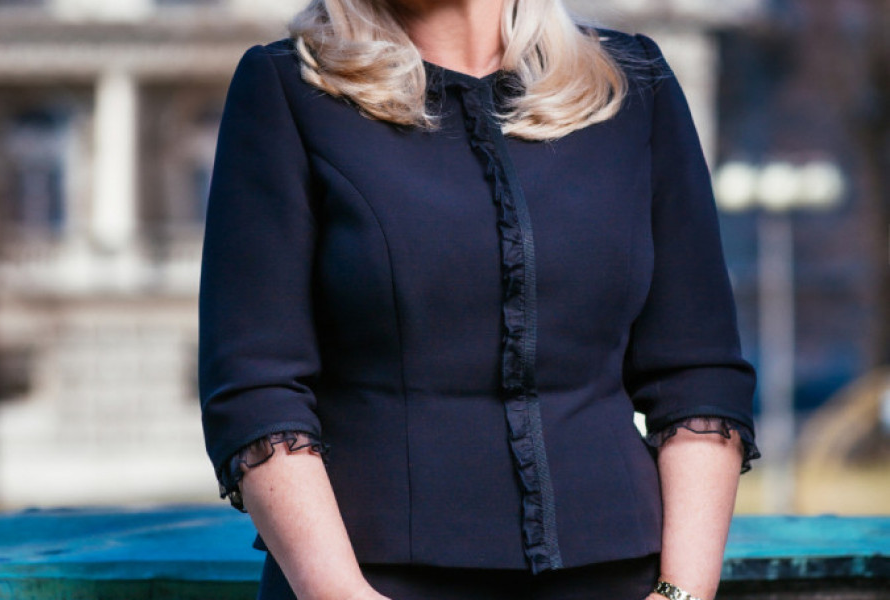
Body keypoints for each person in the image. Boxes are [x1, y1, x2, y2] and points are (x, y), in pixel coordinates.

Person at [198, 0, 760, 598]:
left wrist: (681, 592)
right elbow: (256, 387)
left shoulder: (633, 82)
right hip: (367, 580)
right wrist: (340, 592)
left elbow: (698, 372)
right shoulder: (287, 87)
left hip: (621, 577)